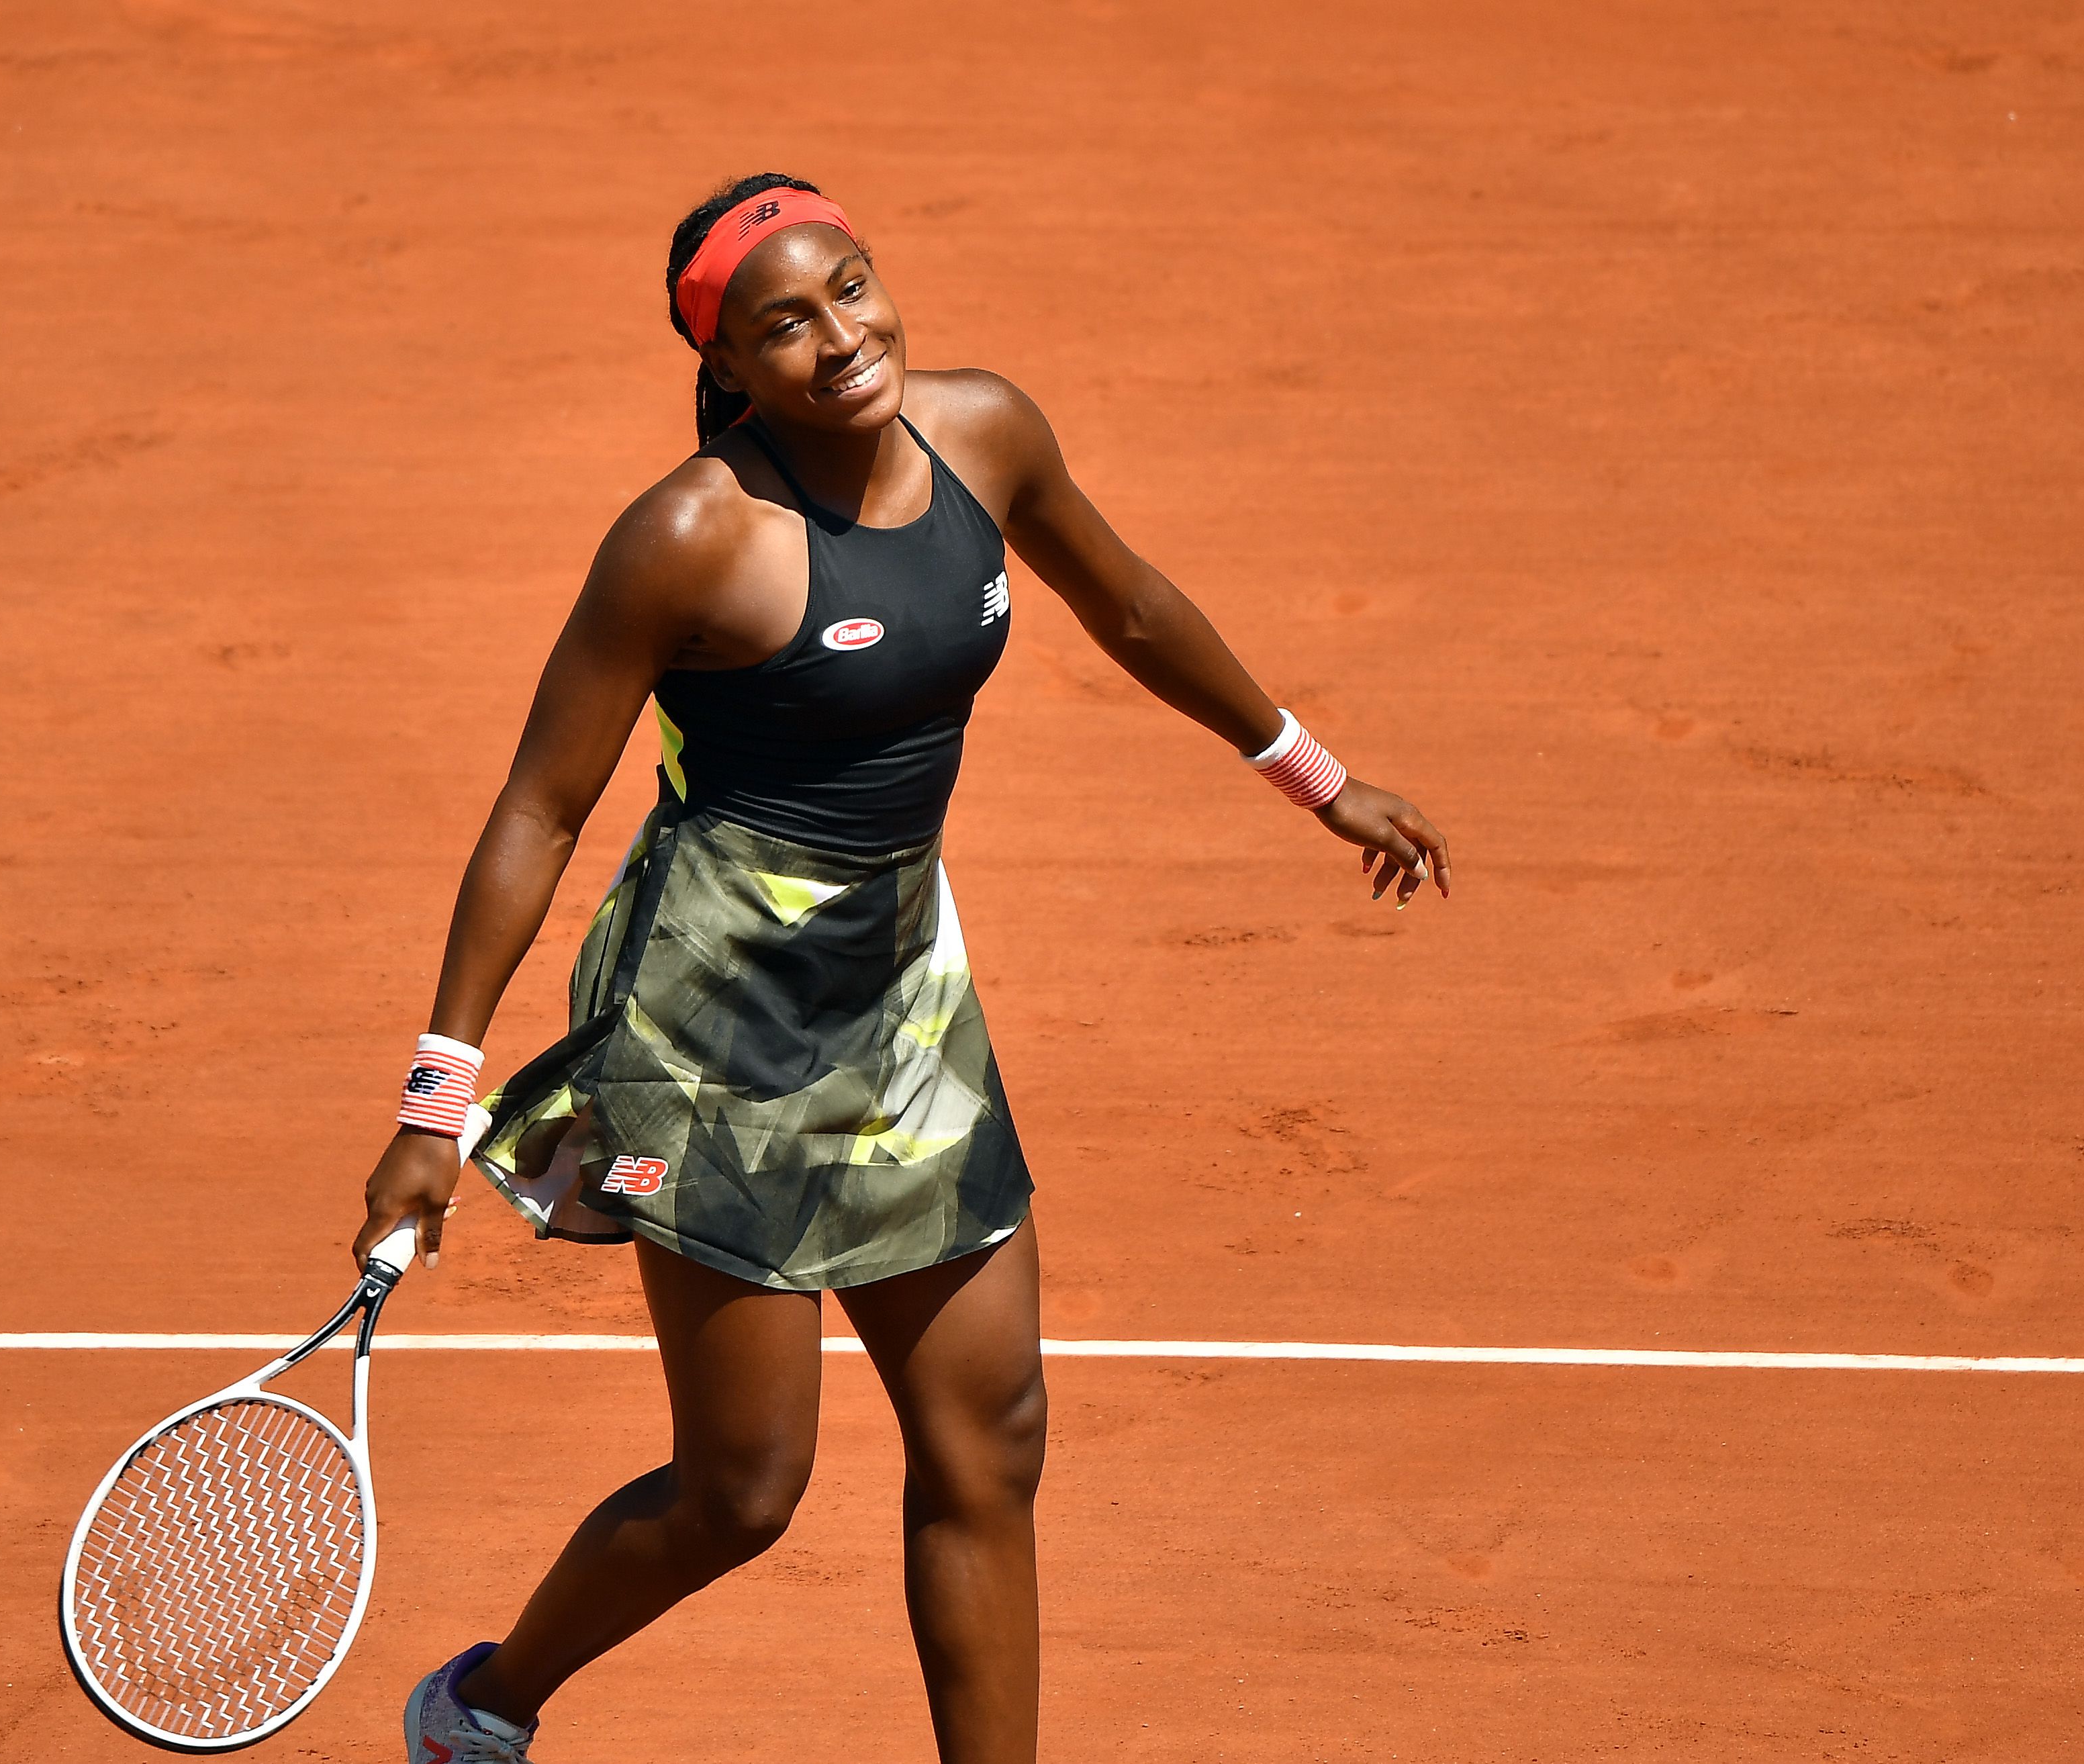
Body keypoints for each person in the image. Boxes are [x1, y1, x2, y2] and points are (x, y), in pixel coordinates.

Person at [355, 173, 1451, 1764]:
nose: (839, 336)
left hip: (898, 981)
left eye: (853, 288)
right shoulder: (684, 537)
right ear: (728, 364)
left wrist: (1311, 774)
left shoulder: (985, 432)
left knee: (991, 1440)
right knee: (743, 1489)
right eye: (784, 322)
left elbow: (1130, 605)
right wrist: (435, 1099)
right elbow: (539, 806)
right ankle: (485, 1707)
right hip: (712, 1013)